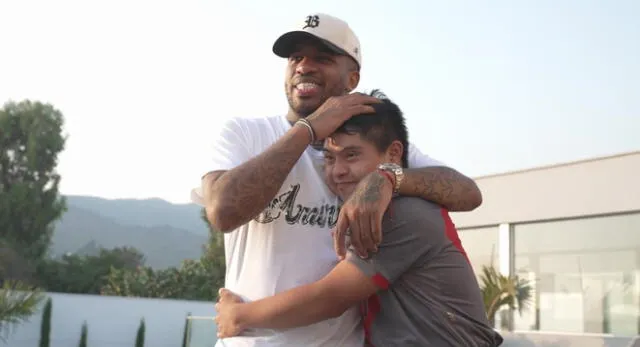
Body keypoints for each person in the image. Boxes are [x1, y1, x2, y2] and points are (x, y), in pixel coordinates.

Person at [191, 13, 482, 347]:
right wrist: (309, 129)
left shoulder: (373, 145)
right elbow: (222, 211)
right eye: (295, 57)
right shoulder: (246, 134)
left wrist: (386, 178)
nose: (304, 66)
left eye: (322, 58)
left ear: (352, 78)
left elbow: (468, 193)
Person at [213, 90, 503, 347]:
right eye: (329, 158)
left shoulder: (403, 213)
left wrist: (239, 315)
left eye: (351, 156)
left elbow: (329, 298)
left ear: (393, 153)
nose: (337, 171)